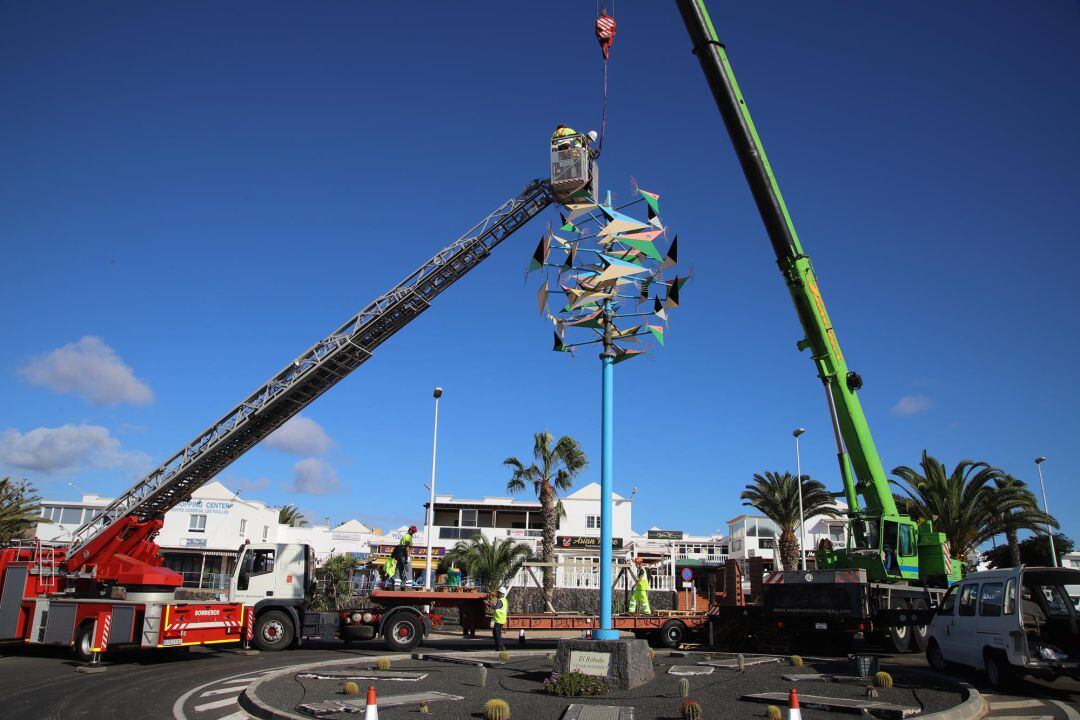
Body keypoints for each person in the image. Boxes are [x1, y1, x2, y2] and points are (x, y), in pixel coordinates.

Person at [491, 586, 509, 651]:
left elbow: (496, 607)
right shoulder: (505, 600)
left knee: (497, 634)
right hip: (501, 619)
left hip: (498, 619)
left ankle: (500, 646)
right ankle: (499, 647)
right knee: (496, 634)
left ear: (501, 593)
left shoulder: (500, 601)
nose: (497, 594)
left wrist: (490, 605)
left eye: (498, 593)